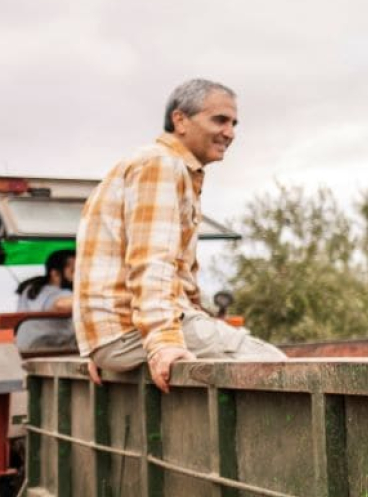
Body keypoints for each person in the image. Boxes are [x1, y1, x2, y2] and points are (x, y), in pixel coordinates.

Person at [74, 79, 286, 392]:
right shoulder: (161, 164)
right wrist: (161, 341)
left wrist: (106, 348)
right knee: (280, 370)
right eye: (219, 120)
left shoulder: (157, 165)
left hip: (121, 333)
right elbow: (151, 260)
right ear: (180, 120)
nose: (230, 132)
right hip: (130, 329)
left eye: (234, 123)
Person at [14, 249, 78, 354]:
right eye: (73, 271)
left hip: (22, 347)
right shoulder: (59, 292)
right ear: (55, 274)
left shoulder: (30, 289)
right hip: (49, 345)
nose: (78, 277)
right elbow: (60, 305)